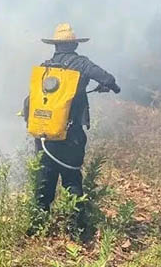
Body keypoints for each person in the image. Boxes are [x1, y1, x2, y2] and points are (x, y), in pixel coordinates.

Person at [23, 23, 120, 239]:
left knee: (44, 179)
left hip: (44, 135)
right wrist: (112, 87)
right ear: (75, 44)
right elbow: (107, 79)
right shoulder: (81, 64)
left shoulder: (45, 67)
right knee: (71, 179)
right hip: (70, 135)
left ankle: (37, 228)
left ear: (55, 46)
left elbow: (29, 102)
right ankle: (78, 231)